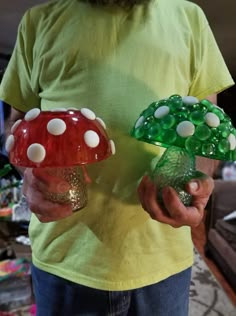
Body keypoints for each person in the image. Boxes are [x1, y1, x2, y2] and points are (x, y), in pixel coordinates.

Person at [0, 0, 234, 315]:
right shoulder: (37, 22)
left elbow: (206, 121)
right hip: (64, 257)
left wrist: (198, 182)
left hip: (162, 257)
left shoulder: (190, 17)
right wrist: (30, 175)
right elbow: (16, 123)